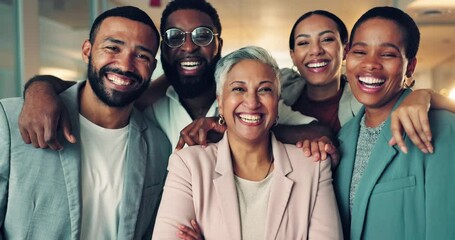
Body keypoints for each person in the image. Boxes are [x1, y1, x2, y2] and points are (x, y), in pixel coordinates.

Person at [19, 0, 329, 153]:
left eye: (203, 35)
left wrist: (235, 131)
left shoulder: (249, 103)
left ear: (219, 45)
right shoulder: (145, 102)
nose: (190, 45)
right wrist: (40, 89)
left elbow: (323, 135)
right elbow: (93, 89)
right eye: (175, 37)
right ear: (162, 53)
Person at [0, 6, 171, 239]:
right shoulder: (11, 120)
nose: (125, 65)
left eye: (142, 55)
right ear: (87, 51)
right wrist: (39, 88)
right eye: (113, 47)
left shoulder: (159, 146)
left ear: (152, 66)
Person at [152, 46, 343, 240]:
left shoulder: (313, 167)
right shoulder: (189, 165)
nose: (252, 102)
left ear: (277, 102)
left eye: (264, 90)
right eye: (239, 89)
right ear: (221, 101)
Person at [333, 6, 455, 239]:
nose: (370, 64)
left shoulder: (443, 128)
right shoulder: (342, 138)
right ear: (347, 55)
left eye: (387, 54)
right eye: (360, 52)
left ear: (409, 66)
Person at [283, 9, 455, 154]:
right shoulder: (278, 92)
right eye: (304, 42)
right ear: (293, 55)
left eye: (327, 39)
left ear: (345, 50)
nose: (315, 51)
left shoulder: (369, 102)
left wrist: (426, 95)